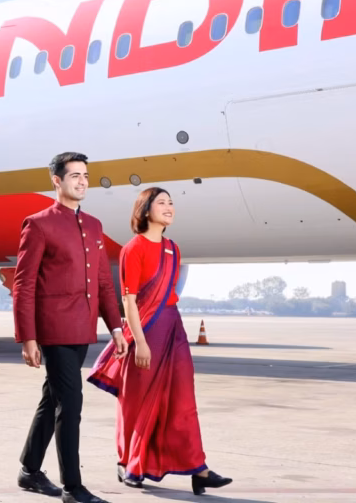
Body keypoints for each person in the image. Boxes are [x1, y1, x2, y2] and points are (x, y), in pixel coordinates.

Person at [87, 187, 232, 496]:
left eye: (171, 203)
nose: (169, 207)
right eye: (162, 203)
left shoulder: (173, 248)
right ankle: (129, 463)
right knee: (136, 402)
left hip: (172, 328)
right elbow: (129, 301)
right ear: (145, 210)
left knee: (182, 400)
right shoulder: (133, 248)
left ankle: (198, 469)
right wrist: (139, 342)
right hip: (145, 329)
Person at [13, 152, 127, 503]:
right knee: (71, 405)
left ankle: (29, 470)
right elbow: (24, 283)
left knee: (54, 399)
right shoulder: (39, 223)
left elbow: (104, 284)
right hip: (54, 328)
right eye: (74, 175)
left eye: (86, 176)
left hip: (83, 328)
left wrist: (117, 327)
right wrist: (28, 337)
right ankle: (73, 488)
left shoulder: (93, 225)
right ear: (57, 181)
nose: (81, 181)